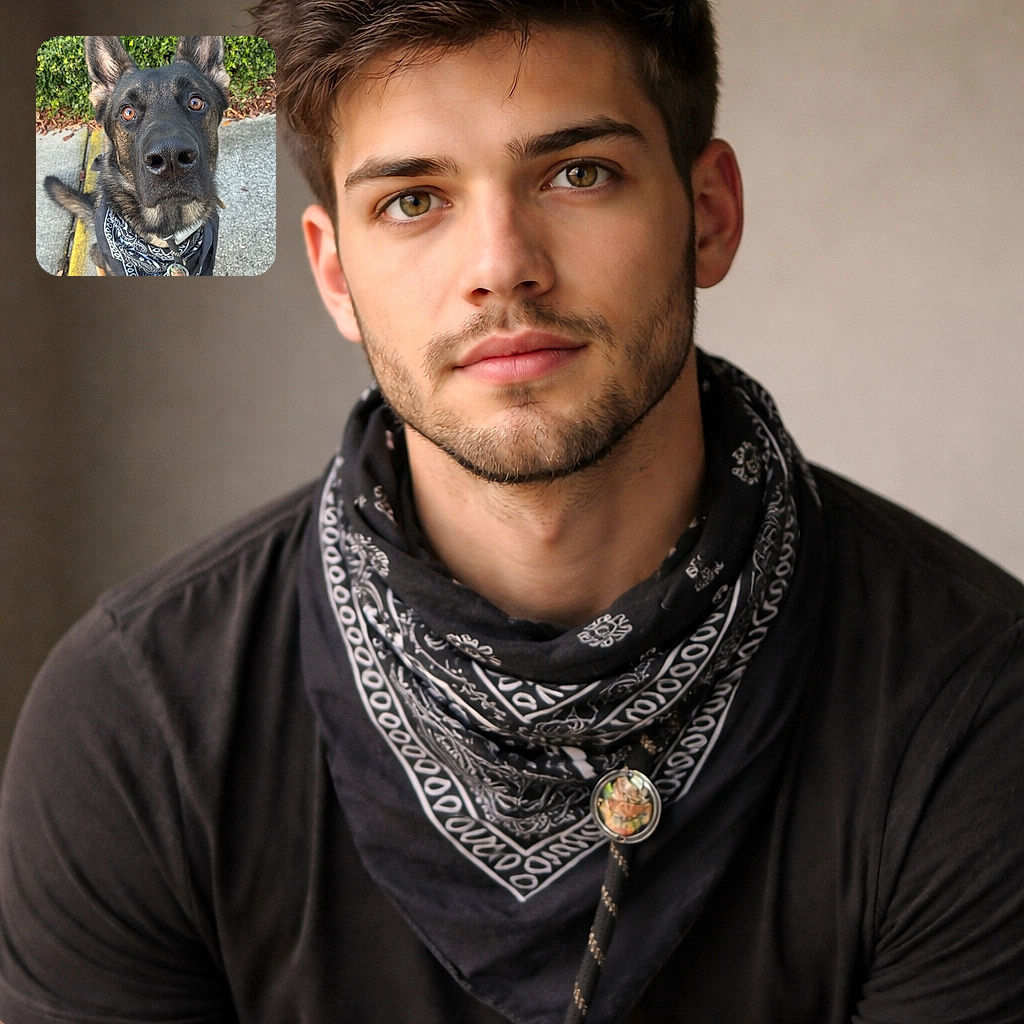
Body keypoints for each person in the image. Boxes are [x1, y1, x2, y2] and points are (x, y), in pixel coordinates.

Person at [2, 2, 1022, 1022]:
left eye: (577, 173)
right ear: (333, 273)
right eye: (411, 200)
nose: (501, 265)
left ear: (706, 214)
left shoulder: (972, 700)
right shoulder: (137, 724)